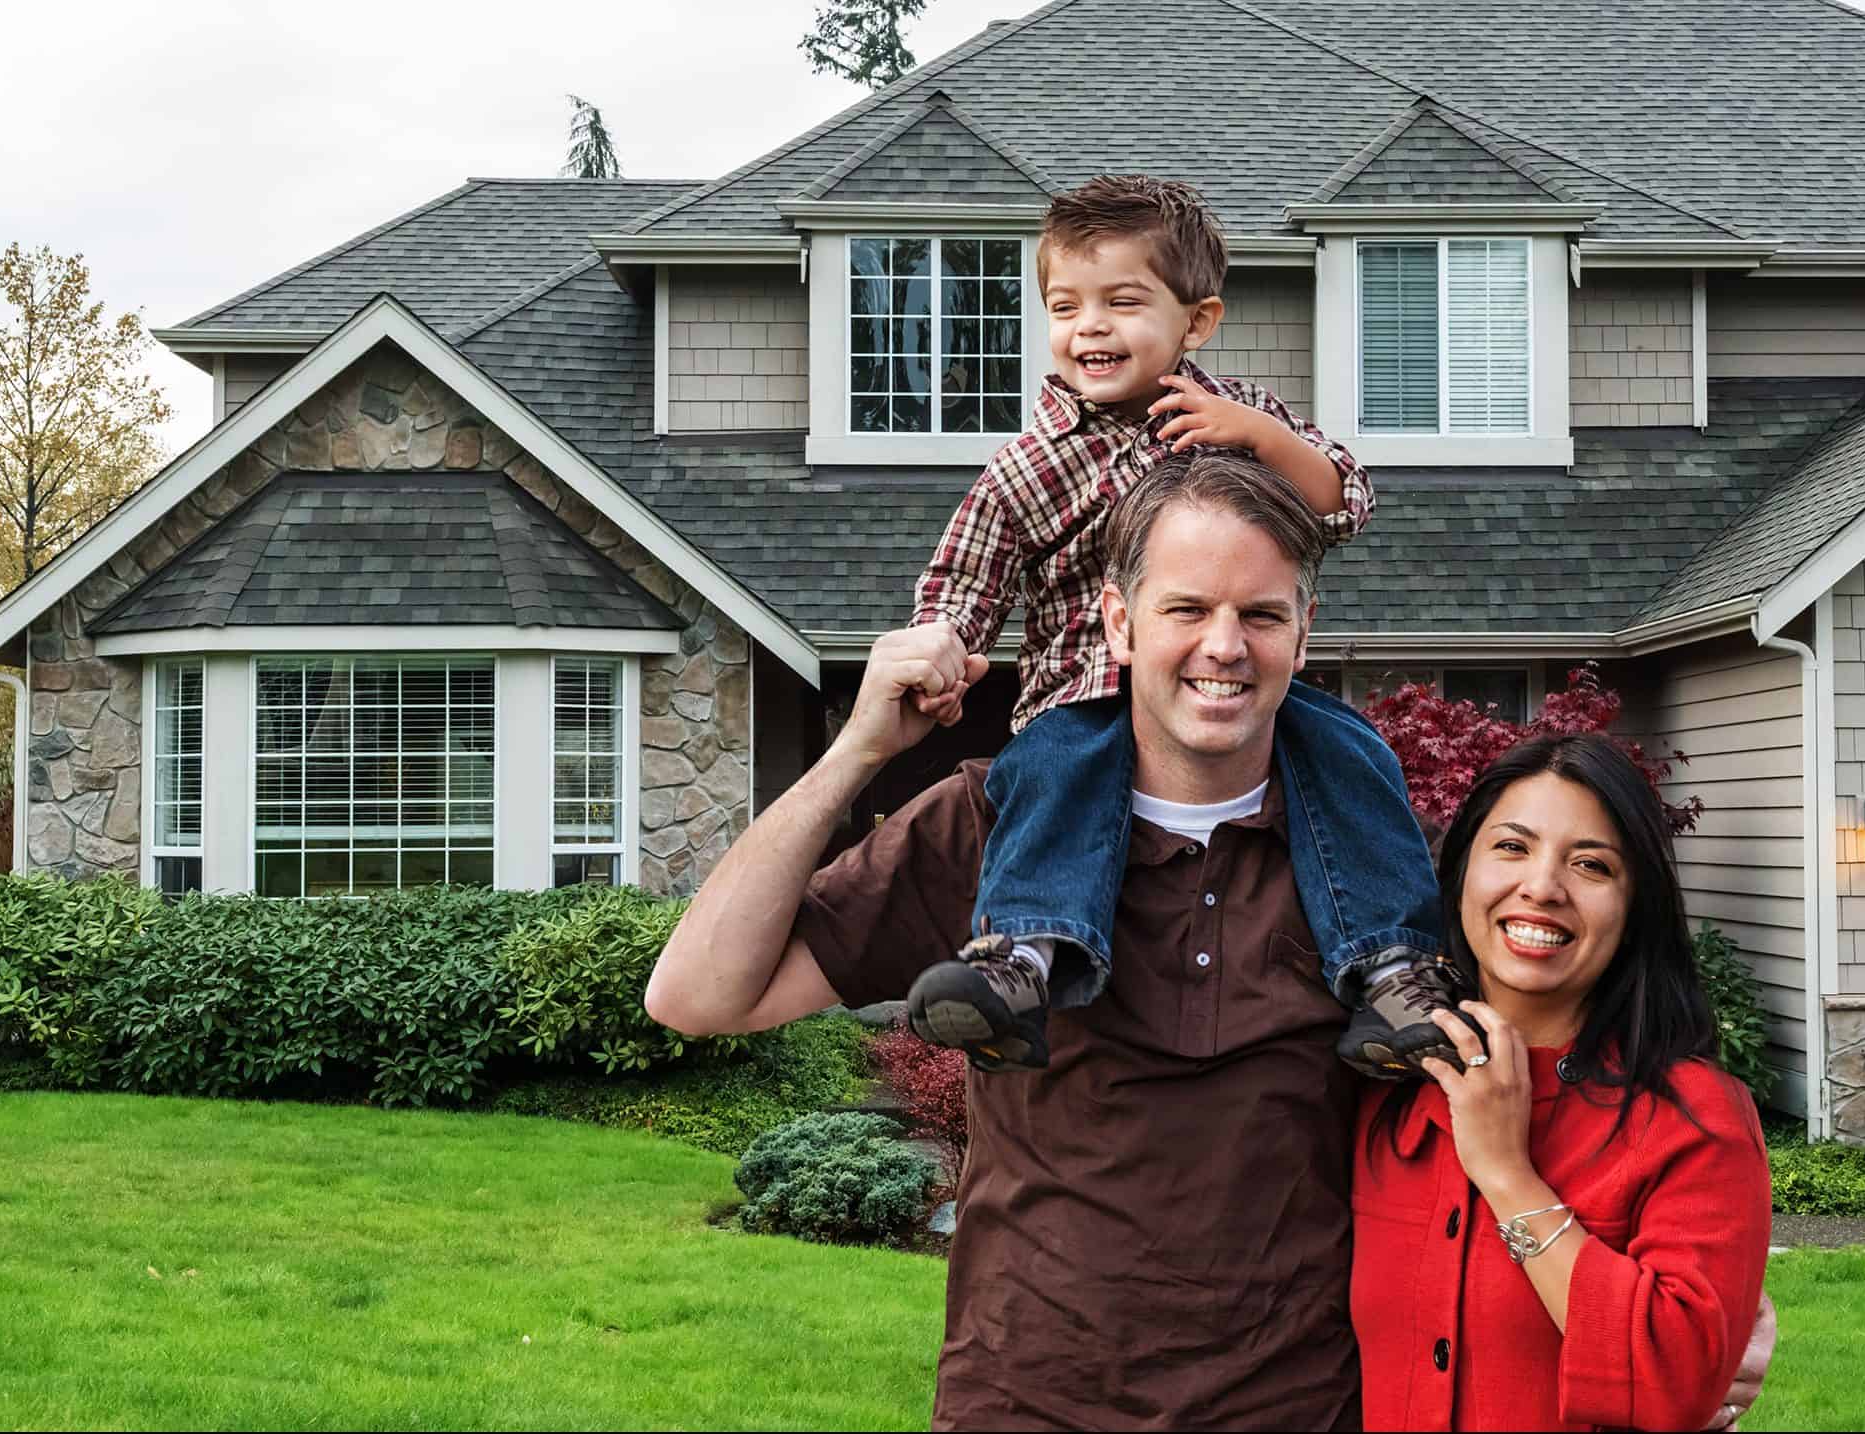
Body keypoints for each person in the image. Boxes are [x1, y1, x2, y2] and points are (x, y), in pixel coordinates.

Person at [644, 452, 1772, 1430]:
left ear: (1303, 631)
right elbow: (696, 995)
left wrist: (1712, 1306)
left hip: (1297, 1404)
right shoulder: (994, 825)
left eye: (1262, 615)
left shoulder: (1375, 879)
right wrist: (854, 754)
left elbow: (1548, 1069)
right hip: (1026, 1401)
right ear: (1120, 624)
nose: (1223, 648)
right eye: (1186, 610)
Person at [898, 174, 1460, 1079]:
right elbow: (969, 579)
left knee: (1351, 750)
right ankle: (1022, 960)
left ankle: (1392, 970)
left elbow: (1344, 502)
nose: (1091, 327)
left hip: (1234, 687)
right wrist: (942, 647)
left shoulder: (1241, 421)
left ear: (1196, 321)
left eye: (1123, 302)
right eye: (1066, 306)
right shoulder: (1029, 465)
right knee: (1046, 775)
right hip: (1085, 695)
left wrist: (1258, 438)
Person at [1351, 733, 1774, 1431]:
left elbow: (1676, 1384)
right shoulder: (1381, 1093)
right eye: (1512, 848)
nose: (1543, 887)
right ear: (1458, 876)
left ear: (1636, 906)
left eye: (1591, 865)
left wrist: (1506, 1174)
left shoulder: (1695, 1120)